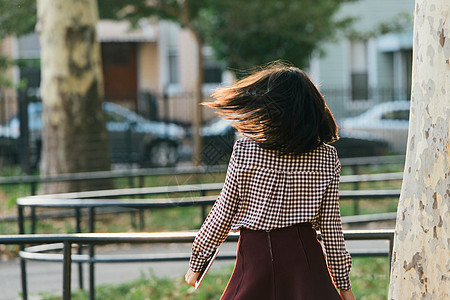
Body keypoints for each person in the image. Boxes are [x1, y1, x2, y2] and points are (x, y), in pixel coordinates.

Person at [185, 62, 356, 300]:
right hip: (303, 257)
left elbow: (223, 211)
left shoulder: (246, 149)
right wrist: (343, 285)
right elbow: (331, 227)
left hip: (255, 255)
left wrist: (198, 261)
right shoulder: (326, 157)